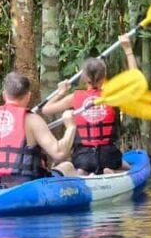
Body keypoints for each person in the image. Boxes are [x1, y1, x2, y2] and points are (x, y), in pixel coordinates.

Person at [42, 34, 138, 175]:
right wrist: (128, 50)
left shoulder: (74, 97)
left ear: (84, 77)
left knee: (82, 168)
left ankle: (83, 172)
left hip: (83, 157)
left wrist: (60, 92)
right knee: (121, 165)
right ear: (104, 78)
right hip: (108, 154)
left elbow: (46, 109)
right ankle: (108, 171)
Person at [0, 72, 76, 187]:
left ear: (4, 95)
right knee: (67, 166)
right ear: (28, 96)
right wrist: (71, 126)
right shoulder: (32, 120)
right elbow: (59, 153)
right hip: (26, 186)